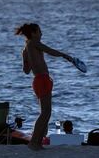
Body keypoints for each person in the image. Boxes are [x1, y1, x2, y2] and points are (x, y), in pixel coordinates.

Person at [16, 22, 75, 151]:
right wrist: (65, 55)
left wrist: (25, 58)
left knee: (46, 113)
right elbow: (49, 50)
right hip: (41, 80)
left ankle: (37, 142)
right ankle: (33, 142)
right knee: (45, 113)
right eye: (39, 31)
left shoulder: (26, 49)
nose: (41, 33)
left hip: (40, 80)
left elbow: (26, 70)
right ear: (33, 33)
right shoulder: (33, 43)